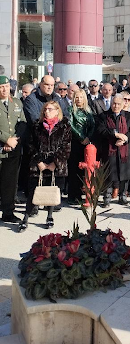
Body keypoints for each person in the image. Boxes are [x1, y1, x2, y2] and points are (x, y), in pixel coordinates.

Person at [20, 101, 72, 230]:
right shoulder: (37, 126)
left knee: (52, 192)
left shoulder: (64, 126)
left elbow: (66, 147)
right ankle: (25, 217)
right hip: (39, 164)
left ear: (57, 111)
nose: (47, 112)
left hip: (55, 164)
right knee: (33, 192)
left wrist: (55, 163)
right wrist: (39, 161)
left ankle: (49, 216)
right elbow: (30, 145)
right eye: (45, 109)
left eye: (50, 109)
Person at [96, 94, 130, 206]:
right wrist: (115, 135)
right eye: (114, 103)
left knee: (124, 174)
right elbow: (101, 130)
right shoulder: (104, 116)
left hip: (124, 150)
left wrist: (125, 139)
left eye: (119, 104)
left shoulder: (128, 116)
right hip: (109, 149)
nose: (116, 106)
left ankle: (122, 196)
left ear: (123, 104)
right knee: (109, 174)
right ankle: (107, 197)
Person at [0, 75, 27, 223]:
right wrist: (6, 139)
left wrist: (15, 139)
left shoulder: (16, 102)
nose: (4, 89)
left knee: (10, 183)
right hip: (1, 147)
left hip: (13, 149)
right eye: (1, 87)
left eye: (6, 86)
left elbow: (22, 122)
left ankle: (8, 212)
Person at [68, 89, 95, 206]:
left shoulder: (88, 111)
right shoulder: (70, 110)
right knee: (74, 169)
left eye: (81, 97)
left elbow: (93, 125)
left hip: (86, 143)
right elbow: (70, 125)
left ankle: (83, 194)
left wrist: (88, 137)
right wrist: (81, 137)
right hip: (75, 142)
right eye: (77, 97)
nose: (79, 99)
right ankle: (73, 195)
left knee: (84, 170)